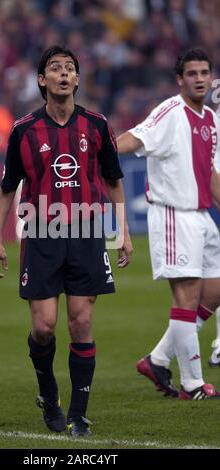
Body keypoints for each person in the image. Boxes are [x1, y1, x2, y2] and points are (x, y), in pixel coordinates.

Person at [0, 45, 133, 436]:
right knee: (45, 328)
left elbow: (114, 181)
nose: (64, 74)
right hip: (42, 233)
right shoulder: (23, 130)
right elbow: (6, 188)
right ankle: (48, 395)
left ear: (78, 79)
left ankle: (78, 414)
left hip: (87, 234)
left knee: (82, 322)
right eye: (56, 68)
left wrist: (122, 231)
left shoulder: (98, 126)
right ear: (42, 80)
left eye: (70, 68)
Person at [117, 48, 220, 400]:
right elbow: (133, 139)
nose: (200, 79)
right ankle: (192, 385)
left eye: (205, 72)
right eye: (192, 73)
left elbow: (212, 175)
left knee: (215, 290)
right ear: (180, 79)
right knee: (187, 298)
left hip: (203, 215)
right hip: (174, 214)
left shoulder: (210, 118)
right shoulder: (169, 112)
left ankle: (158, 359)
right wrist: (96, 151)